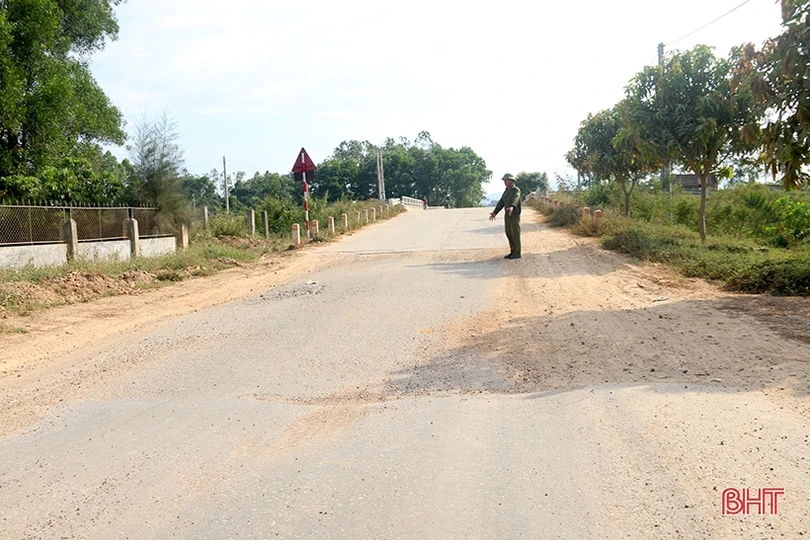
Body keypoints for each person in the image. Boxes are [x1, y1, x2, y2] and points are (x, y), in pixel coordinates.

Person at [489, 173, 522, 259]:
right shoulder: (506, 191)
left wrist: (512, 206)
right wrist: (495, 212)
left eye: (506, 180)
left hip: (514, 214)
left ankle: (517, 253)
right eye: (504, 180)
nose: (505, 182)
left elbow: (516, 198)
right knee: (509, 233)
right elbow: (501, 202)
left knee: (515, 233)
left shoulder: (516, 190)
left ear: (511, 181)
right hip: (507, 214)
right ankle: (513, 251)